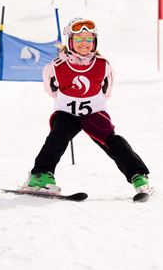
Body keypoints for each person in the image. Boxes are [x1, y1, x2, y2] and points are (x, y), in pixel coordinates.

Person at [23, 18, 151, 195]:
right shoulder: (55, 66)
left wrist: (90, 103)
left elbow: (107, 90)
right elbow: (51, 89)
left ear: (95, 41)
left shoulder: (102, 65)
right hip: (67, 112)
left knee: (112, 141)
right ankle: (40, 175)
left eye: (89, 39)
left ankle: (138, 175)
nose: (84, 43)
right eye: (79, 39)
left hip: (94, 112)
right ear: (70, 42)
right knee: (57, 137)